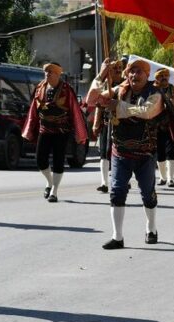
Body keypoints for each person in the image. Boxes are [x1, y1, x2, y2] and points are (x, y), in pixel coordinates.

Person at [88, 58, 164, 249]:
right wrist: (101, 75)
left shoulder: (155, 94)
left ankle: (151, 228)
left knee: (148, 193)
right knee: (117, 191)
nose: (134, 75)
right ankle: (117, 237)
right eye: (131, 71)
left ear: (147, 75)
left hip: (145, 152)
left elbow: (146, 112)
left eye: (139, 72)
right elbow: (91, 99)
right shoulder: (119, 90)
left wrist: (118, 106)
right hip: (121, 151)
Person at [23, 62, 88, 203]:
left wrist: (79, 133)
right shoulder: (40, 88)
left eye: (50, 71)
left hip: (61, 130)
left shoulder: (67, 90)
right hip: (44, 129)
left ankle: (54, 191)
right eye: (46, 71)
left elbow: (75, 111)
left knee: (59, 160)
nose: (47, 74)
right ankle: (49, 182)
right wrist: (29, 128)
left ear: (58, 74)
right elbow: (33, 110)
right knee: (40, 160)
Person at [87, 58, 125, 193]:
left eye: (120, 68)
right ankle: (104, 182)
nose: (118, 70)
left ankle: (121, 178)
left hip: (122, 123)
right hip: (107, 122)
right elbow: (98, 105)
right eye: (115, 68)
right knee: (104, 152)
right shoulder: (105, 84)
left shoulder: (125, 84)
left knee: (121, 153)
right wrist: (96, 123)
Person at [152, 67, 174, 187]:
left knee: (170, 151)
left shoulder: (173, 89)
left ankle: (170, 179)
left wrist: (173, 103)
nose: (164, 78)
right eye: (161, 76)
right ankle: (163, 177)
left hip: (170, 124)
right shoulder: (153, 89)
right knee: (160, 152)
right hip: (157, 125)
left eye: (166, 76)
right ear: (157, 78)